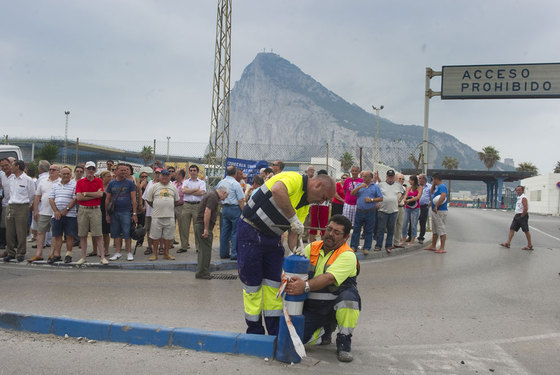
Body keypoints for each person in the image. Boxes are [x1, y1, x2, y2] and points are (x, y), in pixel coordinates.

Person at [237, 172, 336, 336]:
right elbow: (277, 190)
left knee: (274, 284)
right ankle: (254, 331)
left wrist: (298, 248)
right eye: (323, 197)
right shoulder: (294, 179)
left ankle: (275, 330)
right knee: (252, 285)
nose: (321, 202)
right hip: (250, 231)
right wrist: (293, 219)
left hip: (272, 238)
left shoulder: (304, 205)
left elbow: (293, 232)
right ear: (317, 185)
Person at [285, 214, 360, 363]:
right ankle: (325, 331)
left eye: (336, 232)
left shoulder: (347, 255)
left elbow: (329, 278)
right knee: (296, 339)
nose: (330, 234)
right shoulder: (312, 247)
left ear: (345, 238)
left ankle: (344, 343)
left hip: (334, 303)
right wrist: (293, 232)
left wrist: (304, 286)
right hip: (315, 307)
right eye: (329, 229)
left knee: (349, 301)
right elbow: (295, 255)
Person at [75, 161, 108, 265]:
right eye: (89, 168)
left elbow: (100, 194)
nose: (91, 171)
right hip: (83, 209)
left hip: (95, 209)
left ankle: (102, 257)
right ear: (85, 170)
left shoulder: (98, 181)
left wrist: (86, 194)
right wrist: (94, 194)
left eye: (93, 169)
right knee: (83, 234)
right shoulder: (80, 182)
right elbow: (79, 197)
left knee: (98, 234)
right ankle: (83, 257)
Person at [3, 160, 36, 262]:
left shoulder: (27, 180)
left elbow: (31, 195)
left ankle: (21, 253)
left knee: (21, 231)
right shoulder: (11, 179)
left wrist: (28, 205)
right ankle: (11, 252)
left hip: (22, 206)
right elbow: (8, 193)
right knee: (9, 231)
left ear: (17, 166)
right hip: (11, 205)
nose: (10, 167)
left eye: (12, 165)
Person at [195, 185, 229, 279]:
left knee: (203, 249)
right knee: (205, 250)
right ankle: (203, 272)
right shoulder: (213, 197)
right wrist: (206, 229)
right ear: (223, 192)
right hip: (203, 226)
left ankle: (201, 270)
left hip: (201, 225)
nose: (225, 198)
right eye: (226, 196)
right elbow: (207, 211)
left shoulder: (212, 195)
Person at [145, 169, 180, 260]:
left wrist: (168, 206)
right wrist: (157, 206)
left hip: (170, 216)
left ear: (169, 177)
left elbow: (176, 200)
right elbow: (148, 200)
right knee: (155, 236)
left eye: (167, 176)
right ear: (159, 177)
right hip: (157, 216)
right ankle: (155, 254)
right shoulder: (154, 186)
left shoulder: (173, 187)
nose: (165, 177)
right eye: (163, 176)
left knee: (168, 237)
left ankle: (166, 253)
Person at [106, 163, 138, 261]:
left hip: (126, 212)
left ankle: (129, 252)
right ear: (116, 171)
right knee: (115, 233)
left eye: (126, 170)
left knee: (127, 233)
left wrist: (134, 213)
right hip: (114, 212)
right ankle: (117, 252)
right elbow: (107, 199)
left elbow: (133, 199)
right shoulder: (111, 184)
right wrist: (107, 214)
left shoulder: (130, 183)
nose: (124, 172)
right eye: (122, 170)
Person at [29, 164, 60, 262]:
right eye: (50, 169)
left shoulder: (61, 182)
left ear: (58, 172)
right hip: (43, 211)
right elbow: (37, 196)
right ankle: (39, 253)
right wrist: (35, 210)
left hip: (56, 212)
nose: (51, 171)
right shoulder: (42, 182)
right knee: (40, 232)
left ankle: (52, 254)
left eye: (54, 170)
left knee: (55, 234)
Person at [47, 167, 78, 264]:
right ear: (60, 174)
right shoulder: (55, 185)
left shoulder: (74, 184)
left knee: (69, 235)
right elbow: (51, 198)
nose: (66, 176)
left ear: (71, 174)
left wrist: (66, 210)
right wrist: (56, 211)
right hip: (56, 215)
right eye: (64, 174)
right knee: (57, 235)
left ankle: (68, 255)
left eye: (68, 174)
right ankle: (57, 255)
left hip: (70, 215)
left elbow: (75, 199)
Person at [349, 171, 383, 255]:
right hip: (360, 211)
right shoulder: (359, 185)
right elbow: (352, 193)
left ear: (370, 178)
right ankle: (354, 246)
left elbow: (381, 198)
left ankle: (366, 247)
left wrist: (371, 200)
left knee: (369, 230)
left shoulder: (375, 187)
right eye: (363, 176)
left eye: (366, 176)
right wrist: (359, 187)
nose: (363, 178)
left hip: (370, 211)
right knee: (356, 229)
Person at [216, 166, 245, 260]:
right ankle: (234, 254)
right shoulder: (236, 184)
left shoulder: (221, 182)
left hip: (224, 208)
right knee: (235, 232)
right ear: (235, 173)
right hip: (235, 209)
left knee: (225, 232)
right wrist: (244, 212)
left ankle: (223, 253)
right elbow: (241, 200)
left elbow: (218, 197)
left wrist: (222, 205)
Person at [181, 164, 206, 253]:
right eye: (191, 170)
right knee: (184, 227)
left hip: (197, 206)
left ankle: (198, 248)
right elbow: (183, 191)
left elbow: (201, 193)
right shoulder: (186, 181)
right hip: (186, 205)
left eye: (194, 170)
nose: (192, 172)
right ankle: (184, 246)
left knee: (198, 227)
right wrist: (196, 189)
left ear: (197, 172)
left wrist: (189, 191)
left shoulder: (202, 182)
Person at [374, 170, 401, 253]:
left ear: (394, 177)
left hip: (393, 211)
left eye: (392, 176)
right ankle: (378, 245)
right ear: (386, 176)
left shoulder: (398, 185)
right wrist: (376, 202)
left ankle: (388, 246)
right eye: (389, 176)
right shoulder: (381, 184)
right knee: (380, 229)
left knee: (391, 229)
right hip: (382, 210)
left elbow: (404, 192)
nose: (390, 178)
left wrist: (400, 200)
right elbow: (375, 194)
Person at [500, 185, 533, 251]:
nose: (518, 191)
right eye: (517, 190)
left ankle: (530, 245)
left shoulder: (523, 198)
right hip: (517, 215)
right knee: (512, 228)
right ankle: (508, 243)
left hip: (522, 216)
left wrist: (522, 216)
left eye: (519, 190)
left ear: (522, 191)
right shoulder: (519, 197)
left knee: (526, 230)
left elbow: (525, 208)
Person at [424, 173, 448, 253]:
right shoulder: (437, 187)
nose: (433, 181)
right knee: (435, 229)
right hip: (435, 210)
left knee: (441, 228)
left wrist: (436, 206)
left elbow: (443, 196)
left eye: (433, 180)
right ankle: (433, 245)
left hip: (440, 210)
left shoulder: (442, 187)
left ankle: (442, 247)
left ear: (436, 179)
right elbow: (432, 193)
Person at [399, 175, 422, 246]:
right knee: (404, 224)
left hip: (415, 208)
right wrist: (405, 200)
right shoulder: (408, 188)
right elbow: (405, 195)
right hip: (407, 208)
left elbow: (418, 197)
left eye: (410, 180)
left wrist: (410, 200)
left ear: (414, 181)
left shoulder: (419, 188)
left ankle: (412, 240)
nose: (409, 181)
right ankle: (403, 239)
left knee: (413, 224)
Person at [309, 169, 331, 241]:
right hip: (315, 206)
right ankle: (312, 244)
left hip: (324, 206)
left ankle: (322, 243)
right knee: (313, 225)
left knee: (323, 226)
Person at [392, 173, 407, 248]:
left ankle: (397, 243)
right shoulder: (392, 187)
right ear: (395, 179)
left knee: (400, 225)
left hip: (402, 207)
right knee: (393, 225)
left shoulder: (404, 188)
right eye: (399, 179)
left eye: (403, 179)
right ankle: (391, 243)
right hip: (394, 207)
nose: (401, 180)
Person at [417, 174, 432, 245]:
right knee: (412, 221)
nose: (419, 180)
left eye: (420, 178)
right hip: (416, 206)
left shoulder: (430, 187)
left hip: (424, 207)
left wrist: (428, 205)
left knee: (422, 222)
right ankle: (410, 236)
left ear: (424, 179)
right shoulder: (417, 186)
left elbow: (432, 197)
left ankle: (421, 237)